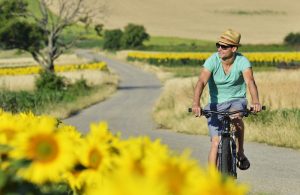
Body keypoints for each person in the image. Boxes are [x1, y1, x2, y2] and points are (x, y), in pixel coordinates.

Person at [192, 29, 262, 170]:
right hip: (216, 105)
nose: (220, 49)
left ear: (234, 48)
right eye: (218, 45)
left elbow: (250, 82)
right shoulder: (212, 60)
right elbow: (201, 81)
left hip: (236, 100)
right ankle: (212, 180)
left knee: (236, 118)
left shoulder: (242, 61)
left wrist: (255, 102)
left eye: (224, 46)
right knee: (215, 142)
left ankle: (240, 152)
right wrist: (196, 103)